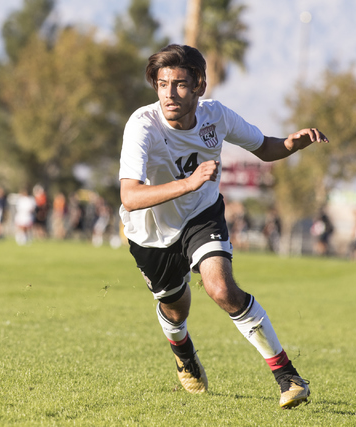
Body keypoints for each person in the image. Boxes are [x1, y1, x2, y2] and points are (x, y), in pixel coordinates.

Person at [119, 44, 329, 409]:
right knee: (175, 309)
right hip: (151, 231)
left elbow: (264, 147)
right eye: (162, 84)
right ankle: (183, 351)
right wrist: (189, 181)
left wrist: (292, 145)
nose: (169, 93)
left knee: (221, 288)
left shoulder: (216, 117)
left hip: (202, 214)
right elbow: (130, 197)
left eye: (180, 84)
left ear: (199, 85)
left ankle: (288, 377)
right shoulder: (142, 126)